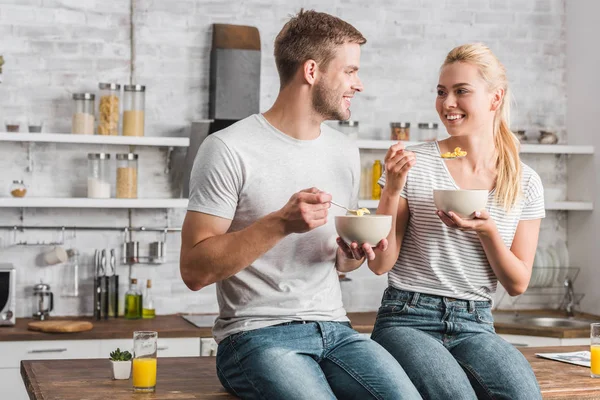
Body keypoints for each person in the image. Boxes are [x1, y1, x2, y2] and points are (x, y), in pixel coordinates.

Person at [180, 9, 421, 400]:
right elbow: (193, 270)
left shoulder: (344, 151)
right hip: (255, 336)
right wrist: (278, 223)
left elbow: (341, 262)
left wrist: (352, 254)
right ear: (312, 71)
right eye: (350, 71)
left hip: (336, 330)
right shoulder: (228, 148)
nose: (358, 84)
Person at [369, 43, 544, 400]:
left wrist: (488, 232)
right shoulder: (413, 163)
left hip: (475, 322)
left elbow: (517, 284)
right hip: (407, 317)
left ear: (495, 98)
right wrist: (392, 189)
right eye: (441, 92)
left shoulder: (525, 181)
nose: (447, 104)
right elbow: (380, 263)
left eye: (461, 91)